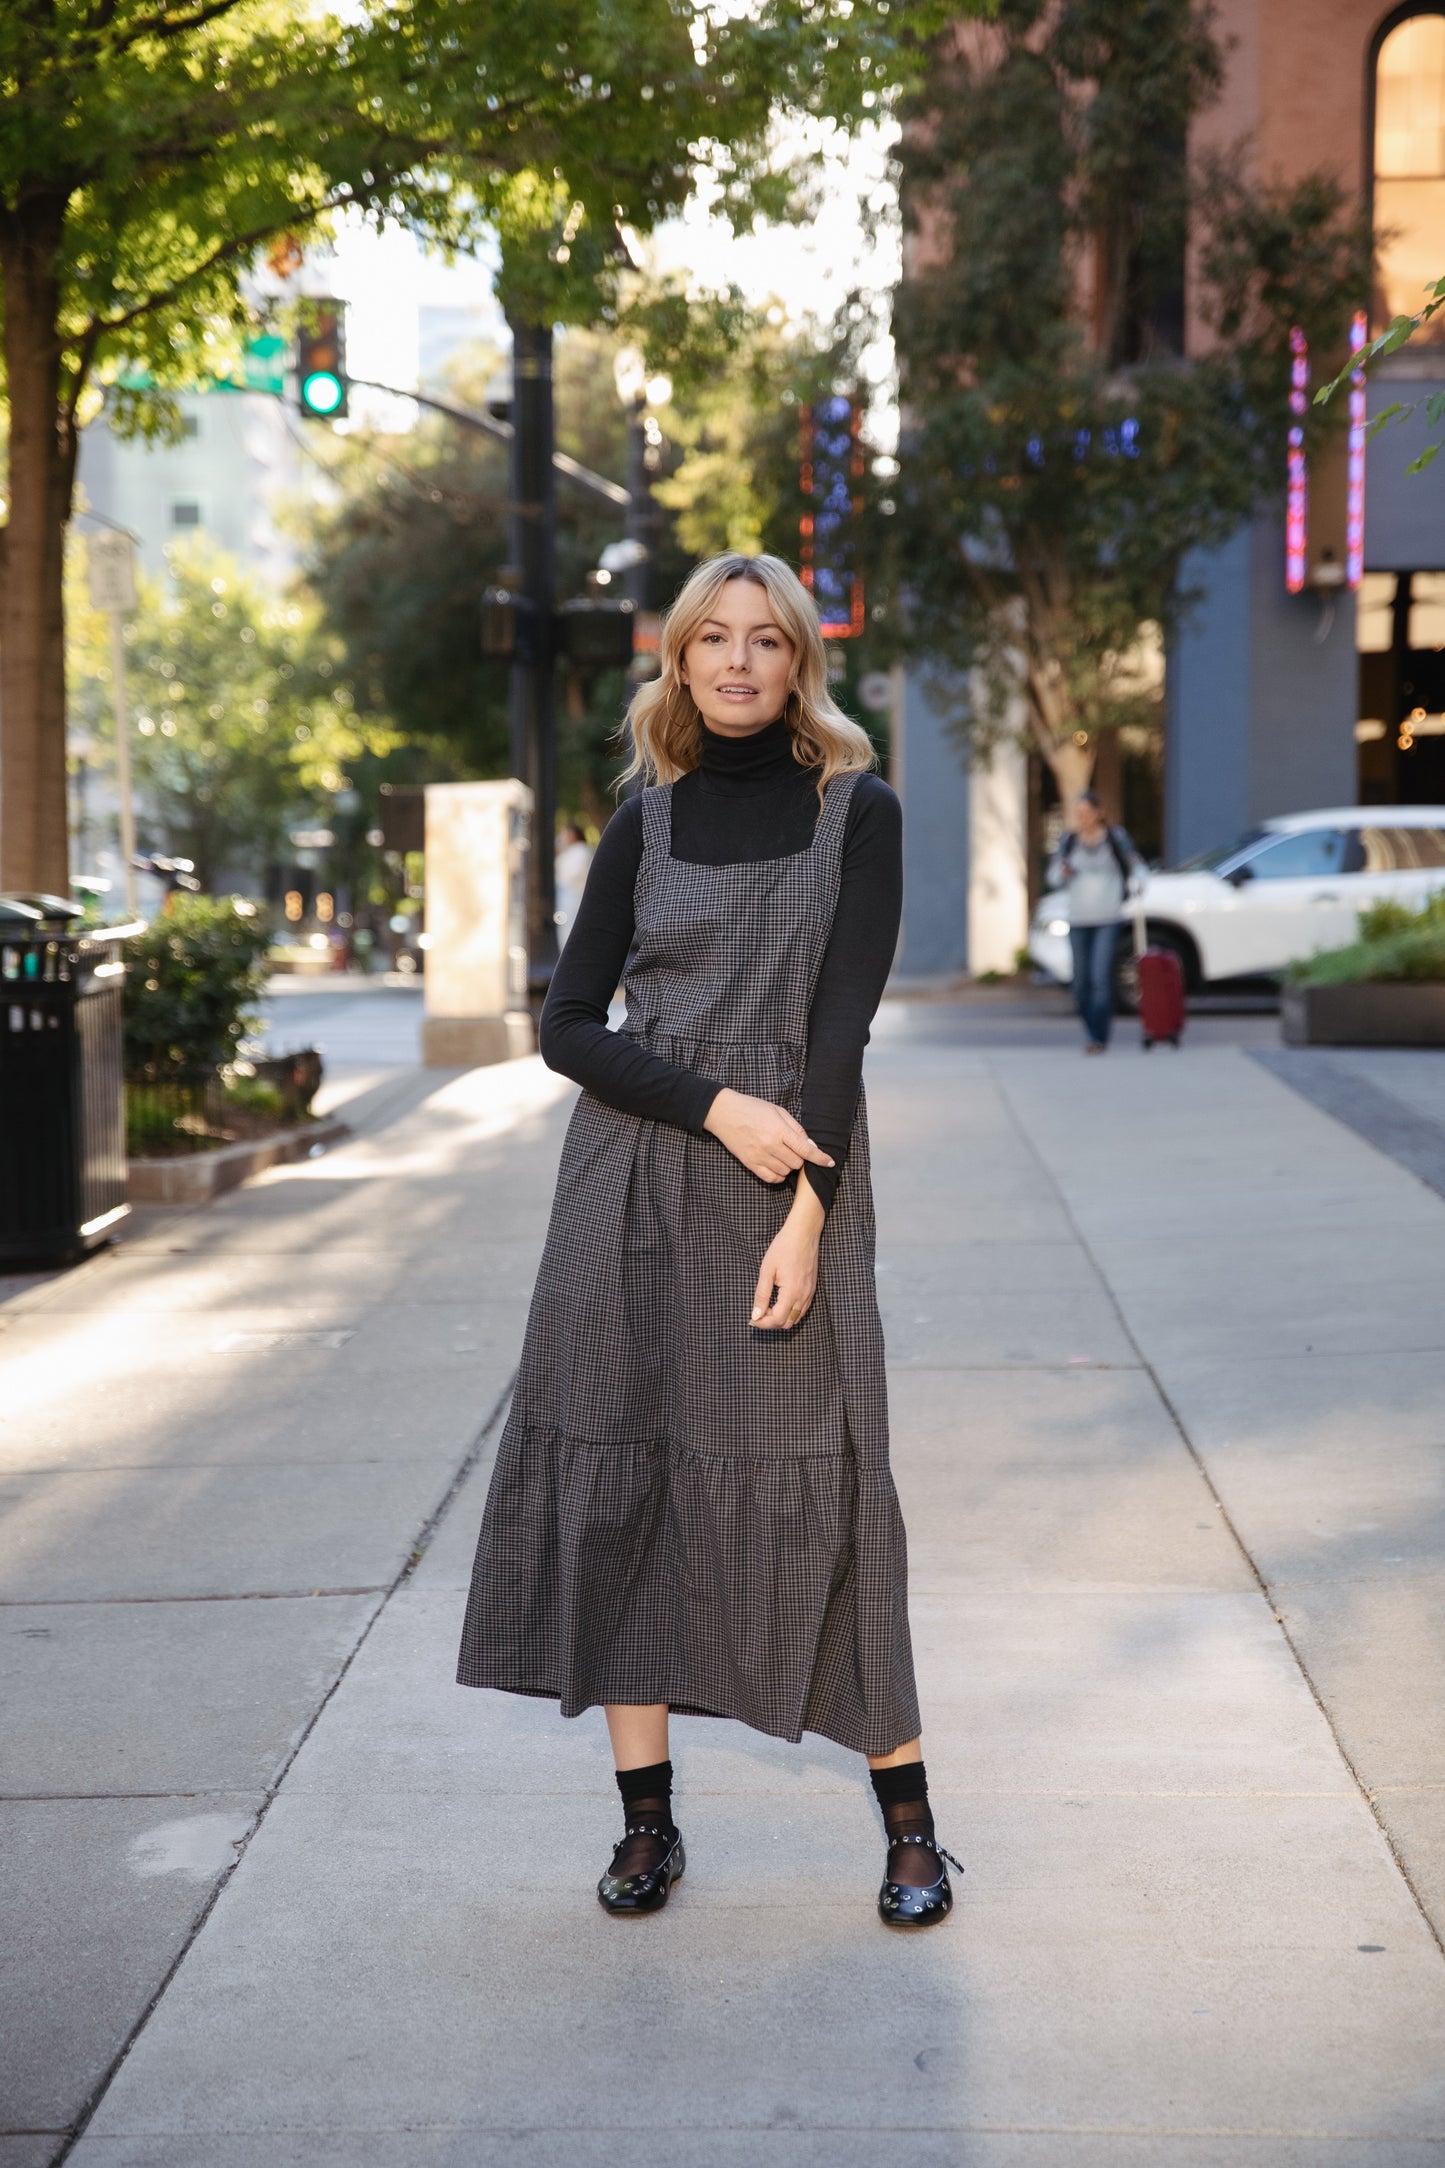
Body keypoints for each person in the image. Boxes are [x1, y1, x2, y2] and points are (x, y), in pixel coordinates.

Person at [457, 551, 958, 1929]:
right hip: (628, 1191)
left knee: (833, 1480)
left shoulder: (860, 812)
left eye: (765, 641)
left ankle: (910, 1825)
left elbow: (843, 1033)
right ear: (676, 665)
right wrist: (714, 1103)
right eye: (710, 641)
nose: (737, 663)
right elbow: (567, 1028)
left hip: (790, 1181)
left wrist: (806, 1206)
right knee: (630, 1473)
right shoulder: (644, 825)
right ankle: (646, 1823)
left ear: (800, 663)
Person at [1048, 789, 1145, 1053]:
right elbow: (1053, 879)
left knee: (1100, 978)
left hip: (1107, 918)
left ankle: (1099, 1037)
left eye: (1086, 813)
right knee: (1080, 983)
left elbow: (1136, 865)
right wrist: (1062, 872)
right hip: (1078, 919)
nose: (1082, 818)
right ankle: (1091, 1031)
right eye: (1078, 813)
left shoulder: (1115, 838)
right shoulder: (1069, 841)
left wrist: (1140, 883)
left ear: (1098, 812)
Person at [554, 820, 593, 945]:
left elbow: (575, 874)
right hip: (566, 894)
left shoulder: (582, 850)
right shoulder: (569, 851)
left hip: (575, 894)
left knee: (570, 927)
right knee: (564, 927)